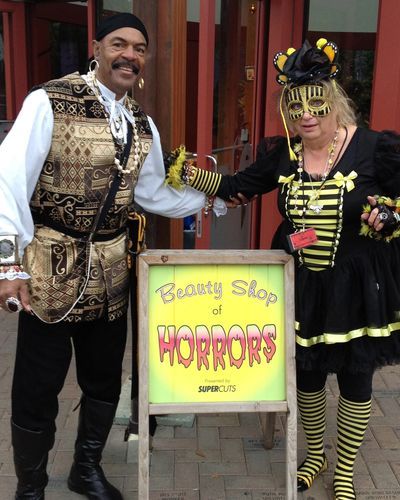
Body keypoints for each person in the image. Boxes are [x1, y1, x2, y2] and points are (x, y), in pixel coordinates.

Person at [0, 13, 227, 500]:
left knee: (104, 380)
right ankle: (30, 487)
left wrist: (215, 196)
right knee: (37, 386)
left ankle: (85, 470)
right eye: (119, 44)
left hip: (110, 275)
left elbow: (153, 192)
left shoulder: (141, 123)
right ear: (97, 47)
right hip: (49, 269)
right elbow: (9, 178)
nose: (130, 55)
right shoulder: (49, 100)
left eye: (139, 48)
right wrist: (7, 264)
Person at [166, 38, 400, 499]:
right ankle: (315, 456)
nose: (305, 115)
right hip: (299, 283)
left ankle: (345, 471)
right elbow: (237, 186)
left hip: (355, 285)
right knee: (306, 378)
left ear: (334, 100)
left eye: (315, 104)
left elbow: (397, 203)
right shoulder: (285, 154)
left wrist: (389, 216)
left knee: (355, 377)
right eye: (295, 107)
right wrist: (186, 173)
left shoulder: (374, 148)